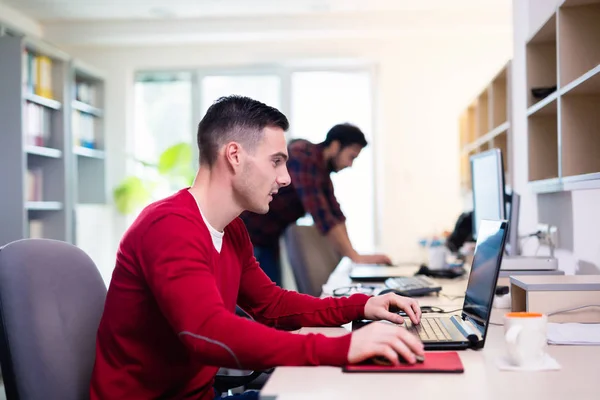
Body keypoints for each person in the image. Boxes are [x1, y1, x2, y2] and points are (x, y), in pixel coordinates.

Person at [90, 96, 424, 400]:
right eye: (276, 161)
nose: (286, 178)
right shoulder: (169, 226)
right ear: (234, 155)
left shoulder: (232, 229)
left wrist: (363, 306)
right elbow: (207, 333)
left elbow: (273, 305)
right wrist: (341, 347)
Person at [240, 123, 393, 286]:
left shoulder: (321, 172)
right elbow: (322, 216)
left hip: (268, 237)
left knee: (269, 297)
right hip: (248, 233)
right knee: (252, 299)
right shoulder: (305, 157)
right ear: (335, 146)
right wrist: (355, 257)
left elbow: (335, 214)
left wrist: (355, 255)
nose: (350, 164)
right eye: (351, 157)